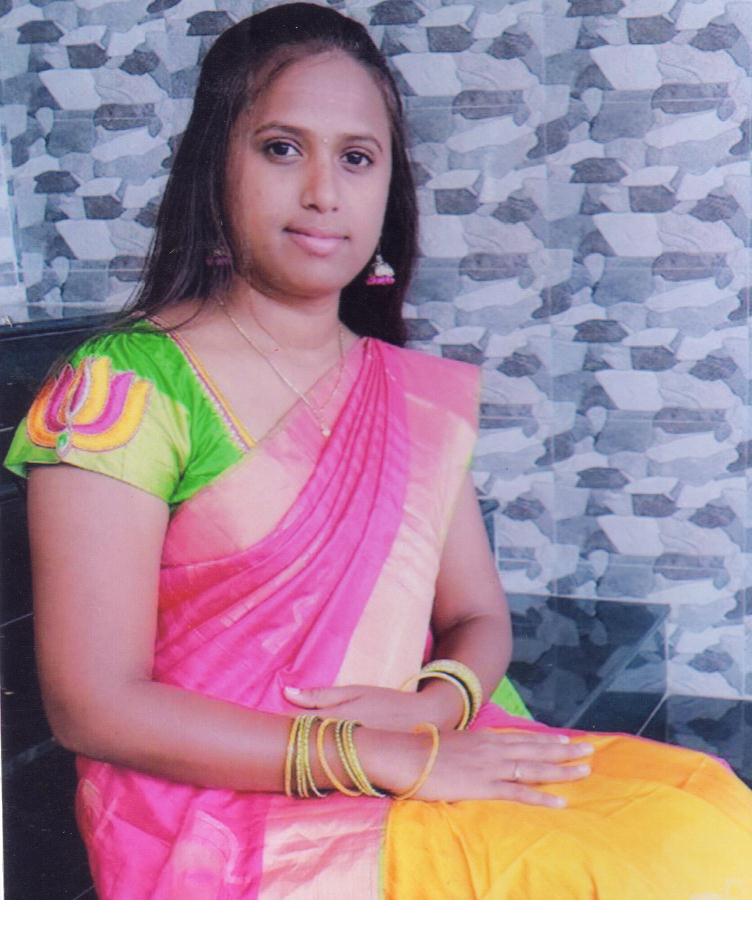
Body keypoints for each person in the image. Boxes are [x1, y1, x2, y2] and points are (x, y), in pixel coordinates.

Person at [4, 3, 752, 900]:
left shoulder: (404, 391)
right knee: (658, 873)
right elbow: (93, 705)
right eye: (282, 148)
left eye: (357, 158)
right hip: (225, 816)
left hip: (415, 752)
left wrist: (433, 709)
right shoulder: (122, 386)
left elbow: (478, 615)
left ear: (389, 187)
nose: (324, 191)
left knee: (713, 805)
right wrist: (375, 755)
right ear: (214, 163)